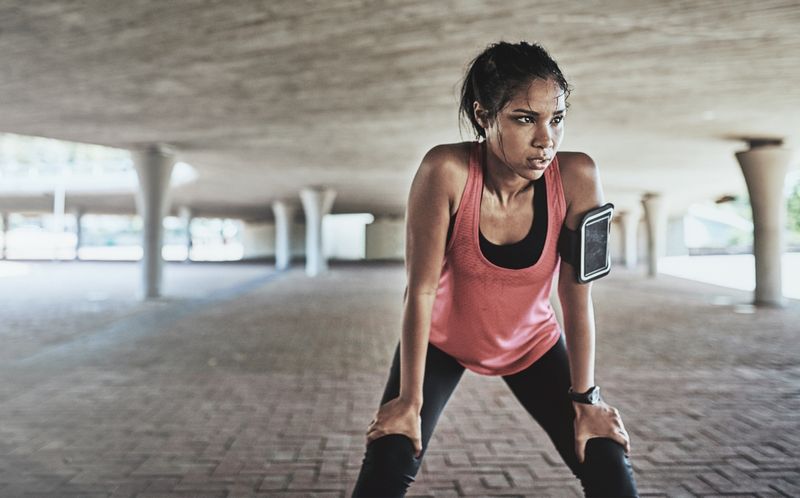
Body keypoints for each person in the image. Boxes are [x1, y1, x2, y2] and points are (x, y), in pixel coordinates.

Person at [351, 41, 638, 498]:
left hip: (533, 343)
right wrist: (408, 400)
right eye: (525, 118)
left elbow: (576, 295)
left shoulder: (579, 176)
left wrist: (587, 400)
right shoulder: (445, 170)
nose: (546, 139)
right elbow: (420, 291)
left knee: (605, 459)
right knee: (389, 457)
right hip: (442, 341)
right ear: (484, 116)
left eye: (556, 118)